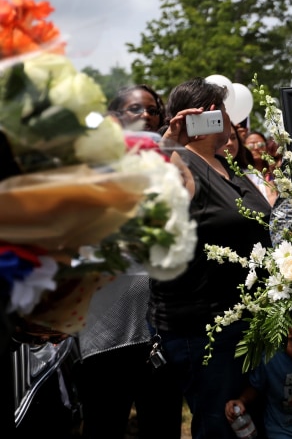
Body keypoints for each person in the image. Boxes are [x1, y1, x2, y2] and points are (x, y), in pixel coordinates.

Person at [151, 77, 273, 439]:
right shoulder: (179, 164)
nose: (229, 119)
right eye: (220, 110)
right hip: (203, 330)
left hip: (245, 320)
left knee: (249, 422)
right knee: (221, 426)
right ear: (201, 117)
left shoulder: (228, 165)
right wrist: (169, 143)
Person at [76, 85, 183, 439]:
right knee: (104, 426)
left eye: (154, 110)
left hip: (160, 335)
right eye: (136, 110)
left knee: (162, 427)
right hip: (104, 333)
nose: (148, 117)